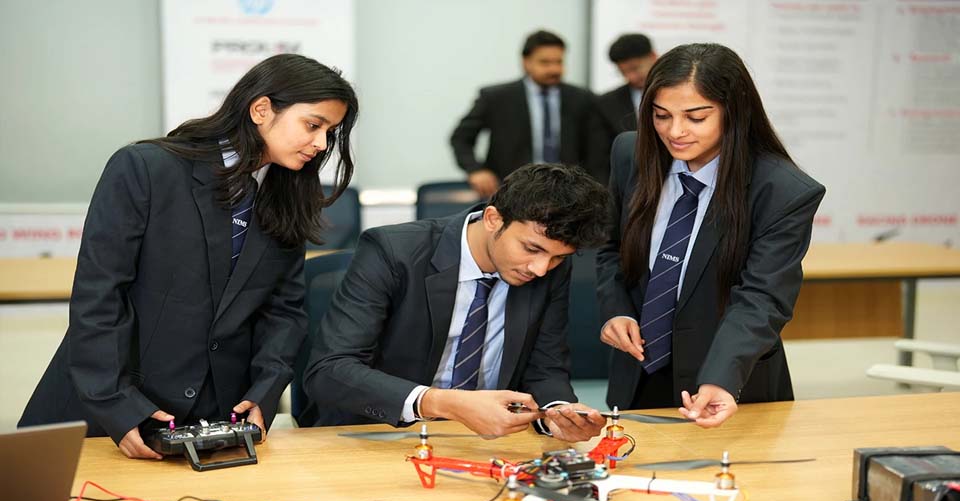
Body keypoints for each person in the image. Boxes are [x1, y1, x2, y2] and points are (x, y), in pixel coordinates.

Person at [18, 54, 359, 459]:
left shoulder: (287, 196)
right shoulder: (147, 168)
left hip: (211, 424)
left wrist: (264, 392)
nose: (321, 144)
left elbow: (283, 311)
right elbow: (99, 296)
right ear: (261, 109)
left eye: (330, 132)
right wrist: (118, 406)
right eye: (313, 125)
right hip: (105, 411)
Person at [597, 43, 825, 428]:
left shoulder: (783, 191)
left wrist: (722, 377)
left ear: (734, 112)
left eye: (696, 117)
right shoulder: (630, 154)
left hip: (729, 381)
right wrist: (616, 309)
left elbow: (762, 297)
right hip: (639, 374)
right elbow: (610, 249)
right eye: (661, 115)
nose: (675, 131)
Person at [301, 164, 610, 442]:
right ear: (493, 219)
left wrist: (558, 412)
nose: (540, 269)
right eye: (531, 249)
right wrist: (443, 403)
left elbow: (545, 368)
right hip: (379, 435)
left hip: (483, 442)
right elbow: (330, 370)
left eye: (558, 258)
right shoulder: (393, 252)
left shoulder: (550, 268)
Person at [450, 30, 607, 197]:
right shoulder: (496, 98)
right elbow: (461, 138)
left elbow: (597, 151)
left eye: (559, 62)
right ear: (526, 62)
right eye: (545, 62)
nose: (554, 69)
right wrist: (476, 170)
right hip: (511, 190)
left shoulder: (583, 99)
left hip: (568, 192)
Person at [597, 33, 657, 140]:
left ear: (653, 56)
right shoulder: (607, 104)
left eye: (635, 68)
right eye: (623, 72)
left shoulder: (680, 91)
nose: (631, 78)